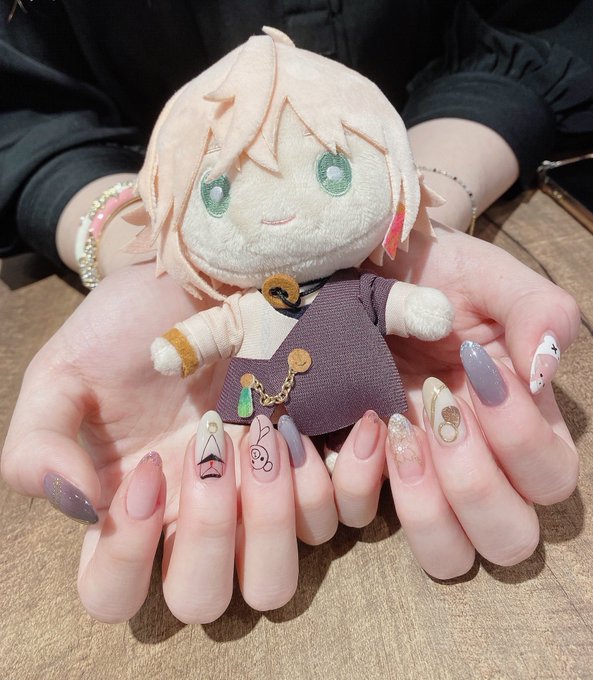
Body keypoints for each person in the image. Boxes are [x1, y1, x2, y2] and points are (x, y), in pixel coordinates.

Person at [0, 1, 590, 623]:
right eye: (217, 192)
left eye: (334, 172)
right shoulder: (246, 303)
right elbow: (23, 116)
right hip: (252, 394)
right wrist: (154, 274)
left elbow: (539, 30)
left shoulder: (358, 288)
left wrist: (417, 231)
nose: (277, 215)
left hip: (466, 144)